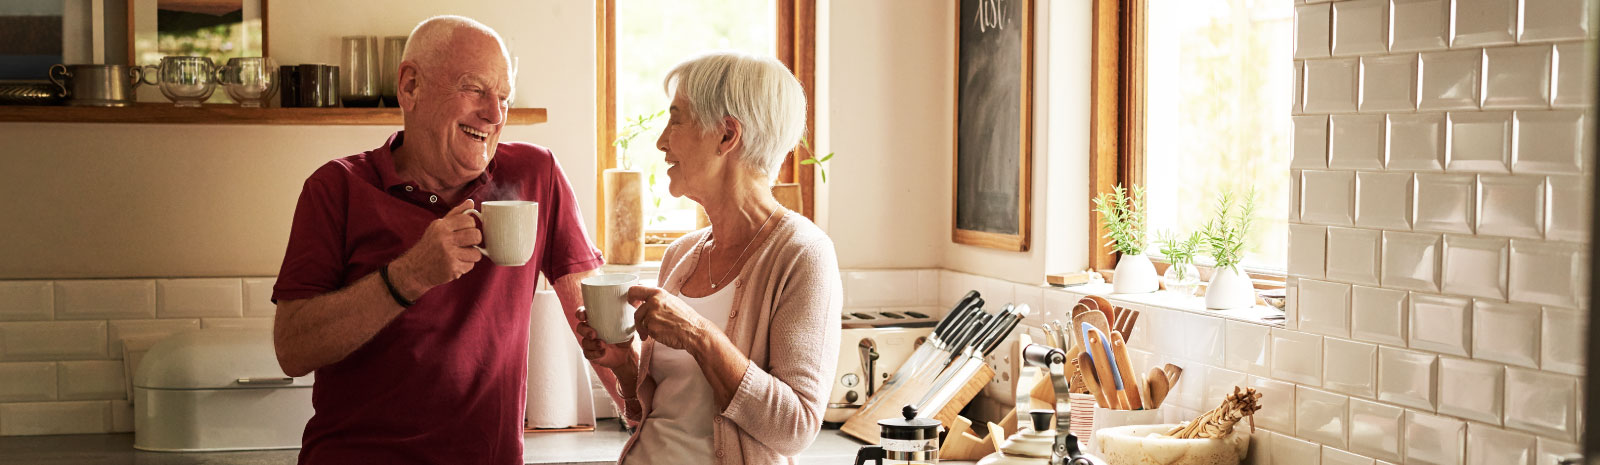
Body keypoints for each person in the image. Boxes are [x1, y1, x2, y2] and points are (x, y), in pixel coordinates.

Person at [270, 16, 611, 465]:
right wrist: (408, 276)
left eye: (503, 97)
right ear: (410, 87)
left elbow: (598, 319)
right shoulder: (337, 188)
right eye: (475, 89)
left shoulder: (535, 175)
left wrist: (645, 415)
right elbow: (292, 350)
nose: (494, 114)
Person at [577, 51, 843, 465]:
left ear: (726, 136)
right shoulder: (680, 256)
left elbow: (796, 427)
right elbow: (660, 414)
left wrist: (699, 335)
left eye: (676, 119)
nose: (662, 140)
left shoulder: (802, 254)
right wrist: (624, 365)